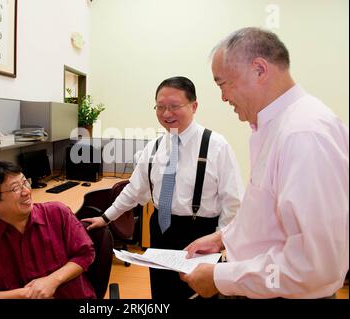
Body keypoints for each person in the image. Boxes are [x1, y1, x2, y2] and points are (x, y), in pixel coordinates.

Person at [180, 27, 349, 299]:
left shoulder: (303, 134)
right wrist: (223, 237)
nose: (223, 97)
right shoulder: (273, 127)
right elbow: (265, 211)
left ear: (259, 69)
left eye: (223, 84)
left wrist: (219, 278)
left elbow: (314, 268)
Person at [83, 76, 244, 299]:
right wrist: (105, 218)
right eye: (160, 107)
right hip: (161, 230)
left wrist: (219, 241)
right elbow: (133, 190)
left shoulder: (217, 146)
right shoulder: (154, 147)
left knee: (198, 295)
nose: (166, 114)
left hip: (200, 234)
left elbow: (233, 202)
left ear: (194, 106)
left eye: (174, 106)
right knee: (161, 294)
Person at [0, 161, 96, 299]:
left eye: (25, 182)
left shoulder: (57, 213)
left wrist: (52, 280)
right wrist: (26, 294)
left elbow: (85, 253)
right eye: (15, 188)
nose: (26, 192)